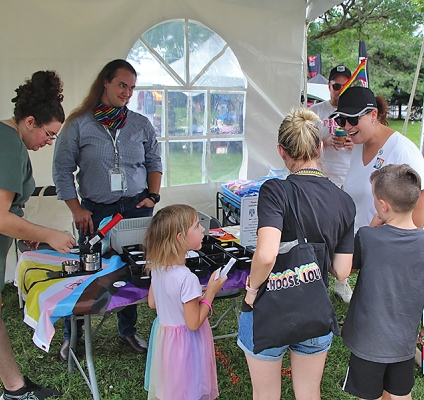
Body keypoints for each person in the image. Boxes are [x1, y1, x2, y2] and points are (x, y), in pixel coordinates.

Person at [238, 108, 356, 400]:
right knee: (308, 393)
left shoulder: (274, 191)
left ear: (281, 151)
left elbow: (266, 256)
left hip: (268, 307)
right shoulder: (344, 200)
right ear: (319, 148)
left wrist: (251, 289)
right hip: (314, 308)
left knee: (265, 395)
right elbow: (341, 271)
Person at [53, 59, 163, 360]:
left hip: (136, 208)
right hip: (95, 212)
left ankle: (128, 330)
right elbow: (62, 170)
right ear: (106, 82)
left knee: (133, 269)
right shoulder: (79, 124)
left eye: (131, 88)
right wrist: (77, 210)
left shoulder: (140, 123)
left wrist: (152, 196)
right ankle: (72, 334)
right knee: (88, 272)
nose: (127, 92)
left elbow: (154, 161)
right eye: (121, 85)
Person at [0, 71, 75, 399]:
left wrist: (24, 233)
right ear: (30, 121)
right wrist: (48, 234)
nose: (48, 143)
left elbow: (0, 207)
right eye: (48, 135)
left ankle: (16, 390)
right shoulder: (8, 146)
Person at [341, 164, 424, 400]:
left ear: (382, 205)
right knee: (400, 393)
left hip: (367, 341)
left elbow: (347, 270)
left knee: (369, 395)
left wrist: (371, 225)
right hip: (404, 342)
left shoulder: (368, 237)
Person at [143, 204, 226, 400]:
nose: (203, 229)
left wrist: (197, 293)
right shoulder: (187, 278)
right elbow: (194, 322)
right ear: (180, 238)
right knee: (190, 388)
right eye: (197, 226)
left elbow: (153, 303)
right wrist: (210, 294)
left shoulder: (157, 267)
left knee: (172, 388)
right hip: (187, 345)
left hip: (167, 343)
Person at [335, 86, 424, 230]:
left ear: (374, 115)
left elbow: (422, 206)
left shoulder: (403, 150)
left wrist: (406, 244)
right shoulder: (358, 149)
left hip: (391, 247)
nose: (347, 127)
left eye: (353, 119)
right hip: (362, 243)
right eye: (341, 120)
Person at [309, 64, 354, 303]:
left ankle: (341, 281)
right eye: (336, 85)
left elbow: (372, 143)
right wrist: (325, 143)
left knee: (347, 232)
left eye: (346, 85)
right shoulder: (316, 112)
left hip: (352, 179)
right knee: (322, 232)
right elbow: (304, 149)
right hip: (324, 179)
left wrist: (353, 144)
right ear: (328, 87)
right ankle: (315, 279)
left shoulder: (358, 111)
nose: (340, 90)